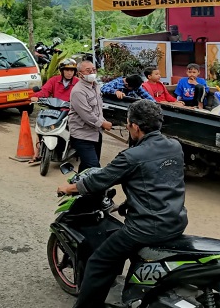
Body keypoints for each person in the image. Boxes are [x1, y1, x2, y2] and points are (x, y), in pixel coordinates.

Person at [57, 99, 188, 308]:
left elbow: (98, 180)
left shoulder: (132, 156)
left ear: (135, 127)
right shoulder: (174, 146)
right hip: (176, 220)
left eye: (127, 124)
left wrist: (68, 188)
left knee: (99, 262)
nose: (128, 128)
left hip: (146, 228)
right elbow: (159, 182)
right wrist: (128, 203)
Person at [69, 60, 112, 172]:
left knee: (87, 165)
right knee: (93, 166)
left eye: (93, 70)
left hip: (96, 133)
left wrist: (103, 121)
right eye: (88, 71)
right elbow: (87, 114)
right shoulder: (78, 91)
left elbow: (98, 109)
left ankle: (78, 186)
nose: (92, 72)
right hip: (82, 135)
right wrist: (102, 123)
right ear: (80, 74)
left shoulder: (96, 86)